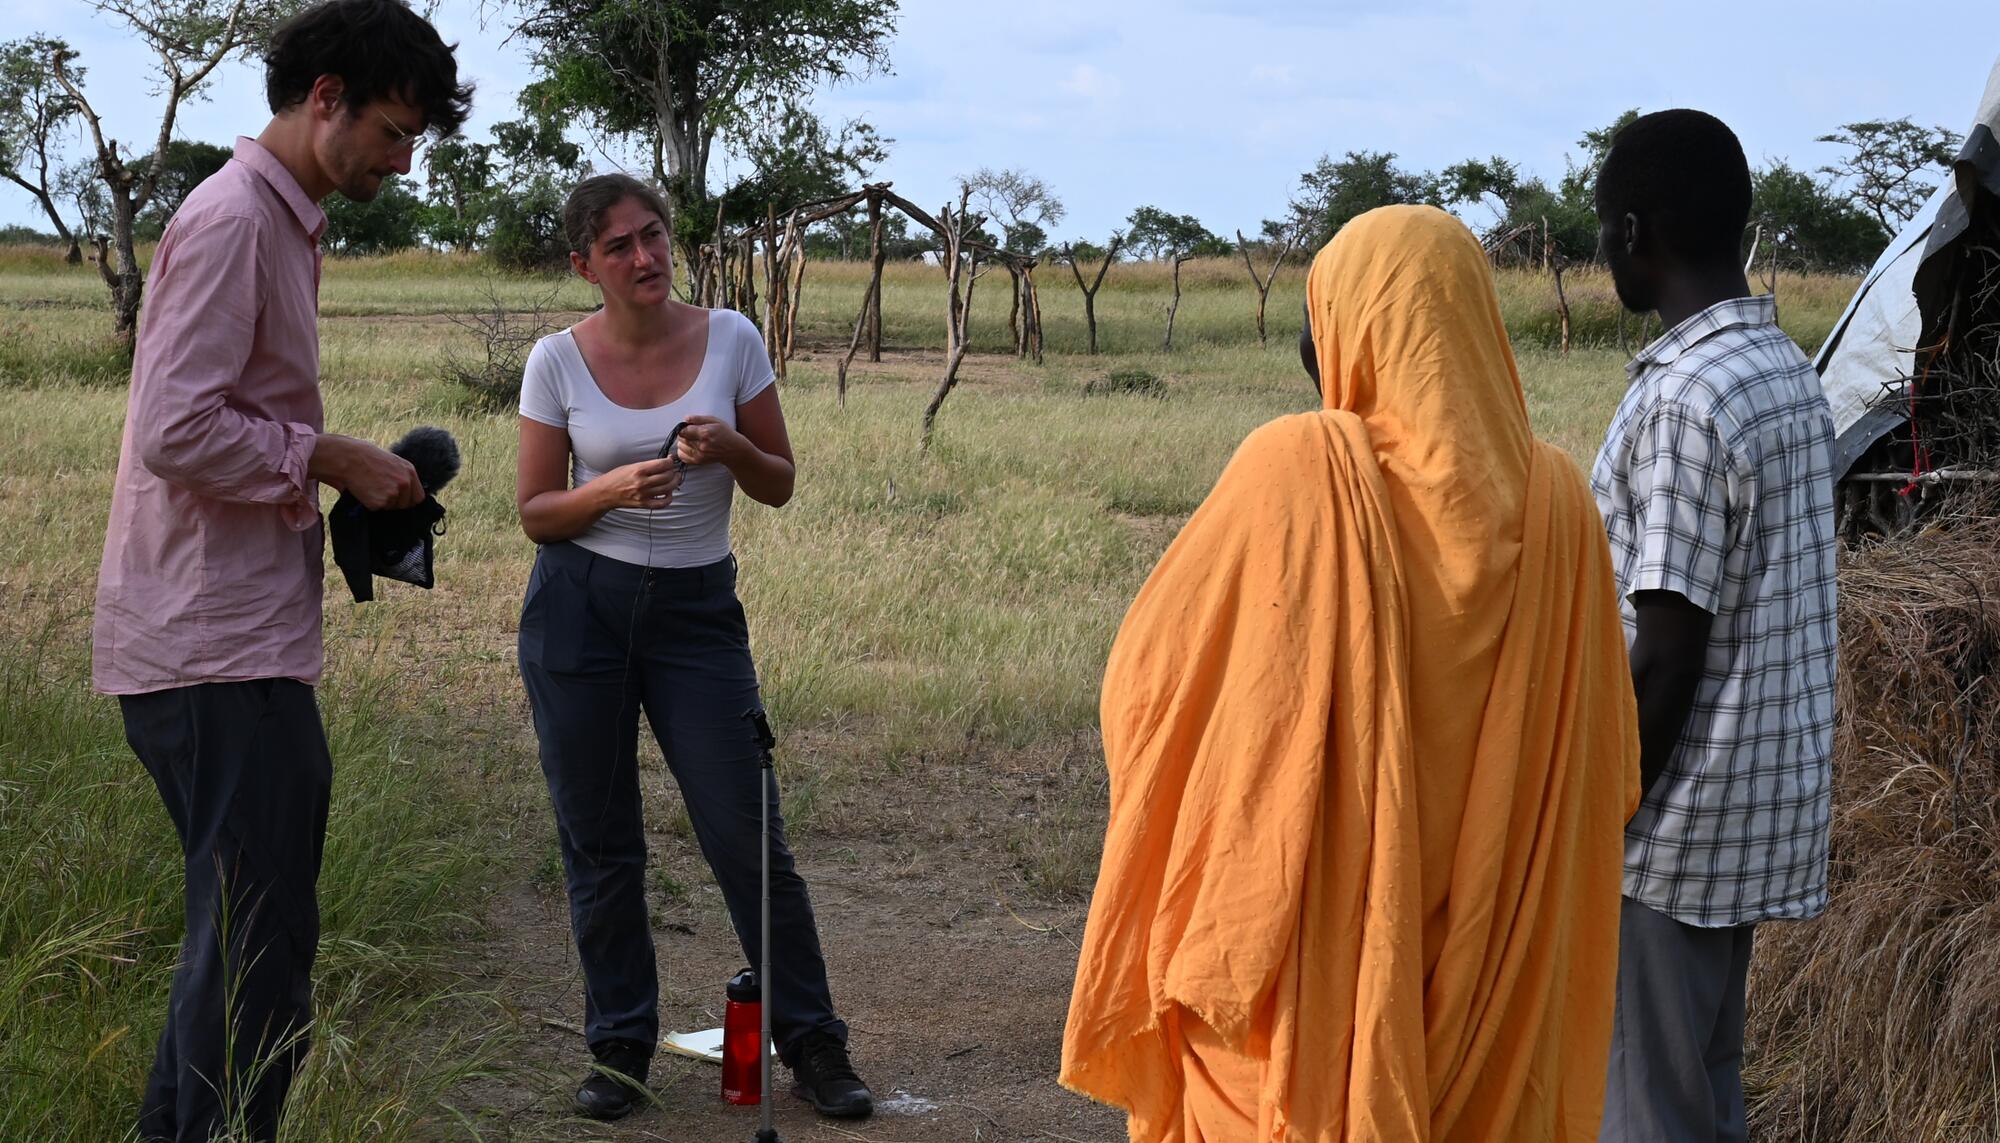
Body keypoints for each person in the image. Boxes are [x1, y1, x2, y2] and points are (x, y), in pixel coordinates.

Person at [1060, 204, 1641, 1141]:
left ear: (1351, 328)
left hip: (1302, 1017)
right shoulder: (1562, 505)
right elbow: (1609, 772)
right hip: (1493, 1022)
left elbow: (1148, 684)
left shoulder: (1296, 469)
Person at [90, 2, 471, 1139]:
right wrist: (324, 454)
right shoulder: (232, 222)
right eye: (395, 131)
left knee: (256, 948)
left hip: (238, 638)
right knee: (253, 954)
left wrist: (339, 476)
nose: (402, 160)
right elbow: (174, 429)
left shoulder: (279, 220)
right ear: (325, 99)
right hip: (206, 647)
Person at [514, 173, 872, 1122]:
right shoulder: (554, 361)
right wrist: (612, 492)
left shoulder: (734, 339)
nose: (646, 257)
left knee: (748, 833)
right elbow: (537, 513)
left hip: (697, 617)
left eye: (655, 235)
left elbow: (780, 482)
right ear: (584, 265)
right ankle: (621, 1044)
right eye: (620, 246)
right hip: (578, 611)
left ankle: (813, 1042)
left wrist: (732, 451)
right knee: (600, 840)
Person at [1589, 110, 1838, 1143]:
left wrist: (1599, 813)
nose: (1602, 246)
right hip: (1749, 817)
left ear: (1635, 232)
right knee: (1704, 1089)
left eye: (1604, 226)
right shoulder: (1783, 371)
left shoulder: (1684, 398)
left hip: (1668, 834)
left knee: (1646, 1110)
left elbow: (1666, 647)